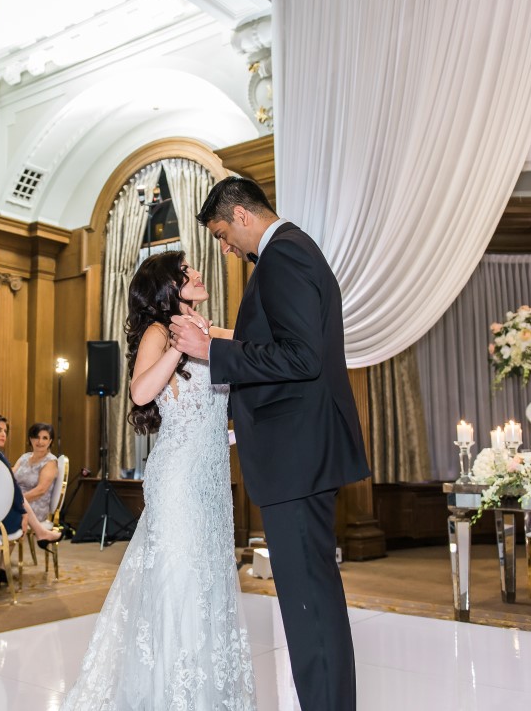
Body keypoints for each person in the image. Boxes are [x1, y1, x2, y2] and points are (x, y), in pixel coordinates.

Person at [169, 177, 370, 711]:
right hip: (300, 453)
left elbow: (301, 359)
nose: (224, 247)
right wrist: (227, 338)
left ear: (239, 214)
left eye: (220, 233)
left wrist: (212, 349)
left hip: (297, 454)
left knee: (309, 605)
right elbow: (286, 344)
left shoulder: (284, 256)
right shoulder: (291, 252)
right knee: (312, 600)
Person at [62, 251, 255, 709]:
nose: (198, 272)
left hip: (211, 479)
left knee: (209, 580)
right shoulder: (157, 332)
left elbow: (251, 352)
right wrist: (179, 345)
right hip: (177, 481)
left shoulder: (208, 328)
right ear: (168, 286)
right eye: (187, 271)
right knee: (178, 580)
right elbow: (141, 392)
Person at [0, 412, 61, 585]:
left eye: (5, 430)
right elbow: (10, 481)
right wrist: (19, 508)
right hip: (1, 517)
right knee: (16, 497)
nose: (4, 434)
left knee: (15, 495)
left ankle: (7, 561)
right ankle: (39, 534)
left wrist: (16, 503)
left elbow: (37, 489)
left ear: (51, 441)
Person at [12, 423, 58, 523]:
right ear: (30, 439)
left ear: (50, 441)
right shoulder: (24, 457)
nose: (40, 441)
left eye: (45, 438)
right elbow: (10, 477)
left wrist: (15, 501)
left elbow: (40, 491)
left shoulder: (50, 462)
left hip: (34, 507)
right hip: (16, 501)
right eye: (36, 437)